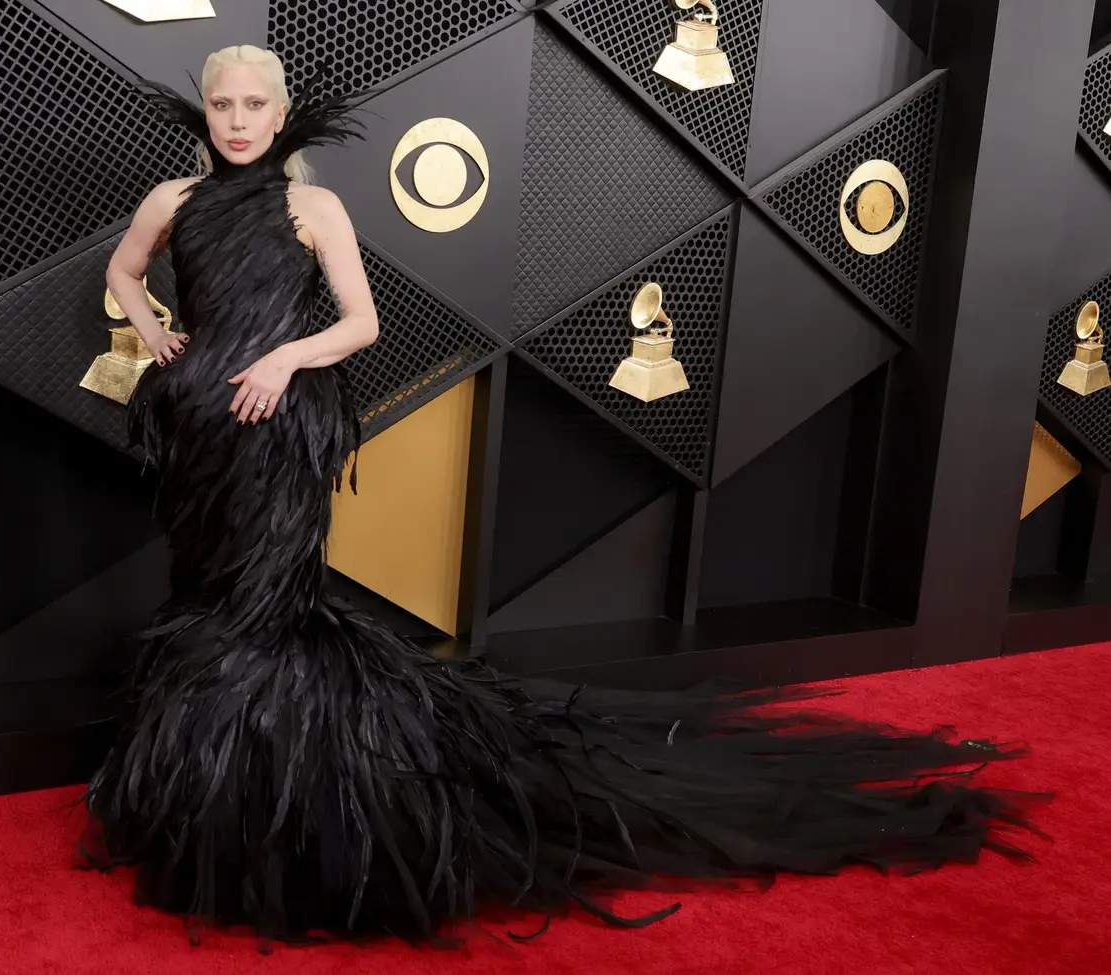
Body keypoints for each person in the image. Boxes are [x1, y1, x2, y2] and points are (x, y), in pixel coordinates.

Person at [80, 44, 1046, 948]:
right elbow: (124, 273)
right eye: (223, 104)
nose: (239, 120)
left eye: (256, 104)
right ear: (204, 111)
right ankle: (212, 809)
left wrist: (288, 355)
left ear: (283, 113)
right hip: (201, 435)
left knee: (265, 609)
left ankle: (282, 816)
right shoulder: (172, 198)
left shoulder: (312, 209)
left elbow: (362, 323)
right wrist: (158, 333)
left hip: (282, 437)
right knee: (206, 599)